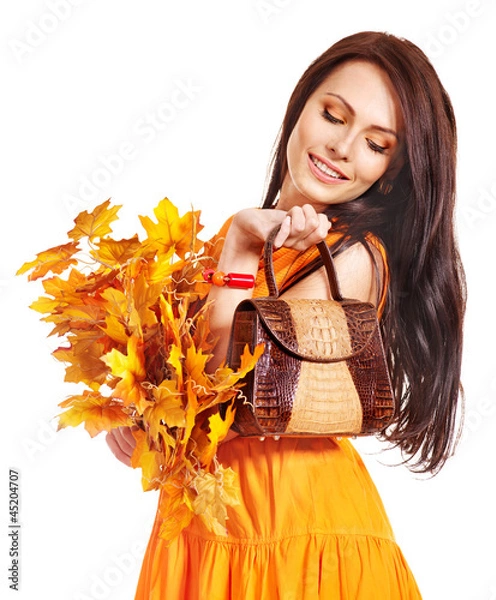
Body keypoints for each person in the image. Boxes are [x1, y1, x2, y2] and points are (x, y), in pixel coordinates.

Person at [107, 31, 466, 599]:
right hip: (207, 531)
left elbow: (227, 386)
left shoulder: (356, 259)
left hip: (295, 537)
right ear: (301, 106)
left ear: (391, 172)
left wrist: (239, 254)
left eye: (376, 144)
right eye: (333, 115)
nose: (343, 148)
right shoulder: (245, 236)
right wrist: (134, 415)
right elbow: (181, 396)